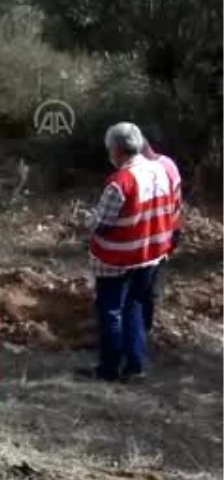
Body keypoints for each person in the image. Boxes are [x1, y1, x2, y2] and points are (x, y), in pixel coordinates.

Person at [81, 123, 177, 381]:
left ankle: (109, 368)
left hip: (119, 258)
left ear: (116, 150)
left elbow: (101, 223)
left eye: (110, 149)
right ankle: (136, 366)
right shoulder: (159, 169)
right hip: (151, 253)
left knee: (111, 310)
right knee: (134, 307)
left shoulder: (120, 182)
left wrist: (84, 220)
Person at [140, 137, 183, 334]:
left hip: (157, 234)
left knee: (145, 285)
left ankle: (143, 327)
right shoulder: (168, 163)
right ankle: (144, 324)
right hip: (172, 229)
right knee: (151, 280)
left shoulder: (149, 172)